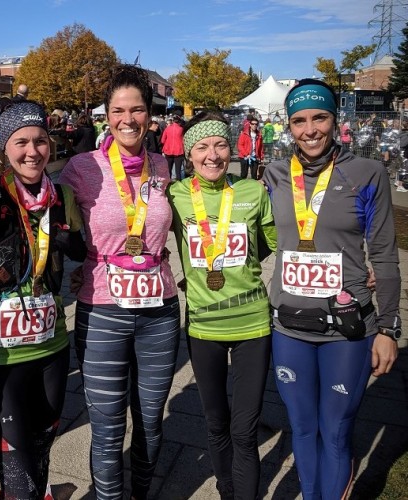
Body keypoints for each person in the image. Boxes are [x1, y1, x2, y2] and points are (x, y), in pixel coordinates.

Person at [262, 78, 401, 499]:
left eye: (319, 117)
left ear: (335, 119)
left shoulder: (368, 173)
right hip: (289, 327)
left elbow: (386, 255)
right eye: (299, 121)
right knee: (303, 429)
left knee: (336, 432)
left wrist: (389, 329)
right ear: (289, 126)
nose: (310, 130)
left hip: (348, 329)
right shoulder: (274, 174)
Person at [0, 100, 86, 500]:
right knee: (16, 468)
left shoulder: (62, 196)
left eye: (40, 141)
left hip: (52, 346)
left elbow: (78, 248)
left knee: (41, 450)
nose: (32, 151)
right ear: (3, 149)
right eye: (21, 141)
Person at [59, 64, 180, 500]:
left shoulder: (164, 168)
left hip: (159, 313)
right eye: (117, 110)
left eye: (137, 110)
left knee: (150, 422)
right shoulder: (80, 168)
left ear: (150, 115)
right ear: (105, 116)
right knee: (108, 429)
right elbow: (43, 218)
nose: (127, 119)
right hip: (103, 310)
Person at [167, 111, 277, 500]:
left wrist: (349, 265)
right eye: (202, 147)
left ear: (231, 150)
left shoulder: (253, 192)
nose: (212, 155)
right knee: (216, 424)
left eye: (220, 145)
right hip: (203, 327)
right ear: (189, 154)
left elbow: (276, 244)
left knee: (244, 431)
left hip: (252, 326)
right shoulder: (175, 195)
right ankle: (227, 487)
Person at [161, 115, 185, 180]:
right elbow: (184, 140)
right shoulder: (181, 129)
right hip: (179, 151)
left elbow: (162, 140)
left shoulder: (167, 129)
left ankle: (168, 183)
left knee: (168, 169)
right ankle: (179, 183)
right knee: (178, 170)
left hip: (168, 150)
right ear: (179, 122)